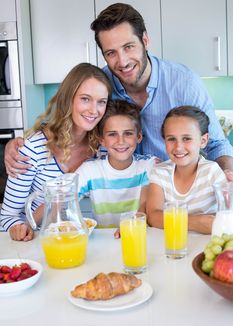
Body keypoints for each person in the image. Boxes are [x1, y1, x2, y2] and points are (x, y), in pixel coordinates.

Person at [4, 3, 233, 177]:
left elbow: (216, 143)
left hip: (172, 193)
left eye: (128, 47)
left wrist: (227, 174)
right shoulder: (101, 85)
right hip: (118, 196)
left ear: (145, 40)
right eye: (111, 52)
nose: (122, 61)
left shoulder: (184, 83)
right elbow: (65, 122)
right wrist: (19, 145)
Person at [0, 63, 112, 241]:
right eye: (85, 99)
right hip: (38, 243)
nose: (94, 110)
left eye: (101, 102)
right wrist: (18, 228)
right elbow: (7, 216)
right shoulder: (33, 149)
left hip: (88, 242)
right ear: (68, 99)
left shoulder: (104, 148)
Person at [76, 99, 158, 235]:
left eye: (128, 133)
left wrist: (133, 224)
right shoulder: (90, 170)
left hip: (139, 239)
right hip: (104, 243)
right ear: (101, 139)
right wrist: (30, 224)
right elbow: (63, 198)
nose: (121, 141)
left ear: (139, 136)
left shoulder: (148, 165)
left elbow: (145, 205)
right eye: (112, 134)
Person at [146, 105, 227, 234]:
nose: (178, 147)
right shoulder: (159, 172)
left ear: (203, 140)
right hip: (170, 246)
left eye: (187, 139)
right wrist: (196, 222)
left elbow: (227, 214)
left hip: (204, 247)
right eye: (171, 139)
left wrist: (171, 220)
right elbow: (153, 217)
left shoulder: (212, 171)